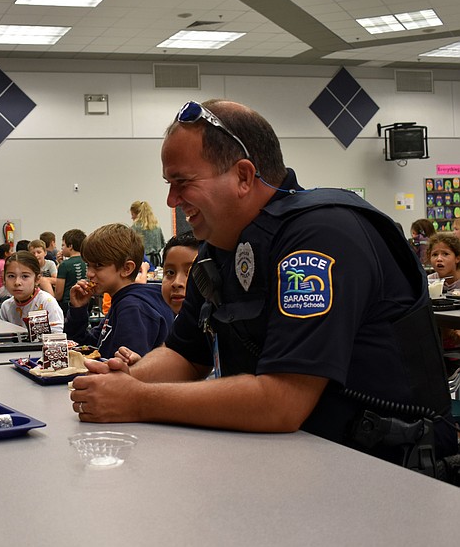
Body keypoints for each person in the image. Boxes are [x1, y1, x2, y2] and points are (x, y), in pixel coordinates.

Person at [71, 99, 457, 474]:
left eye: (182, 182)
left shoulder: (322, 234)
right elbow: (185, 354)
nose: (172, 198)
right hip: (294, 462)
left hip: (383, 473)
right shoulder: (220, 246)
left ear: (242, 176)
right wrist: (118, 382)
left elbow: (281, 401)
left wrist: (138, 400)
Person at [64, 223, 174, 359]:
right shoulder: (121, 301)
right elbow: (85, 346)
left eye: (98, 265)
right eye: (88, 265)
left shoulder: (132, 308)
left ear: (127, 268)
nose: (89, 274)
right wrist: (78, 310)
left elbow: (125, 369)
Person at [115, 232, 200, 366]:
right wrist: (140, 365)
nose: (177, 282)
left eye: (191, 272)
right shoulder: (180, 325)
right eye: (170, 272)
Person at [0, 251, 64, 334]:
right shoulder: (6, 306)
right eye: (11, 276)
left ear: (37, 279)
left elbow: (56, 337)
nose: (17, 282)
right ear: (4, 278)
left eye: (25, 276)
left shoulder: (47, 302)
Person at [55, 228, 87, 314]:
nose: (61, 248)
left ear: (70, 246)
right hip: (87, 302)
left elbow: (58, 294)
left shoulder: (65, 265)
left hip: (68, 305)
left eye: (63, 245)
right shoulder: (88, 261)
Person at [130, 200, 166, 268]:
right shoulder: (156, 227)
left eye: (132, 214)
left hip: (142, 261)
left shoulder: (134, 228)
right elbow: (162, 244)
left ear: (137, 214)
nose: (131, 217)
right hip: (156, 260)